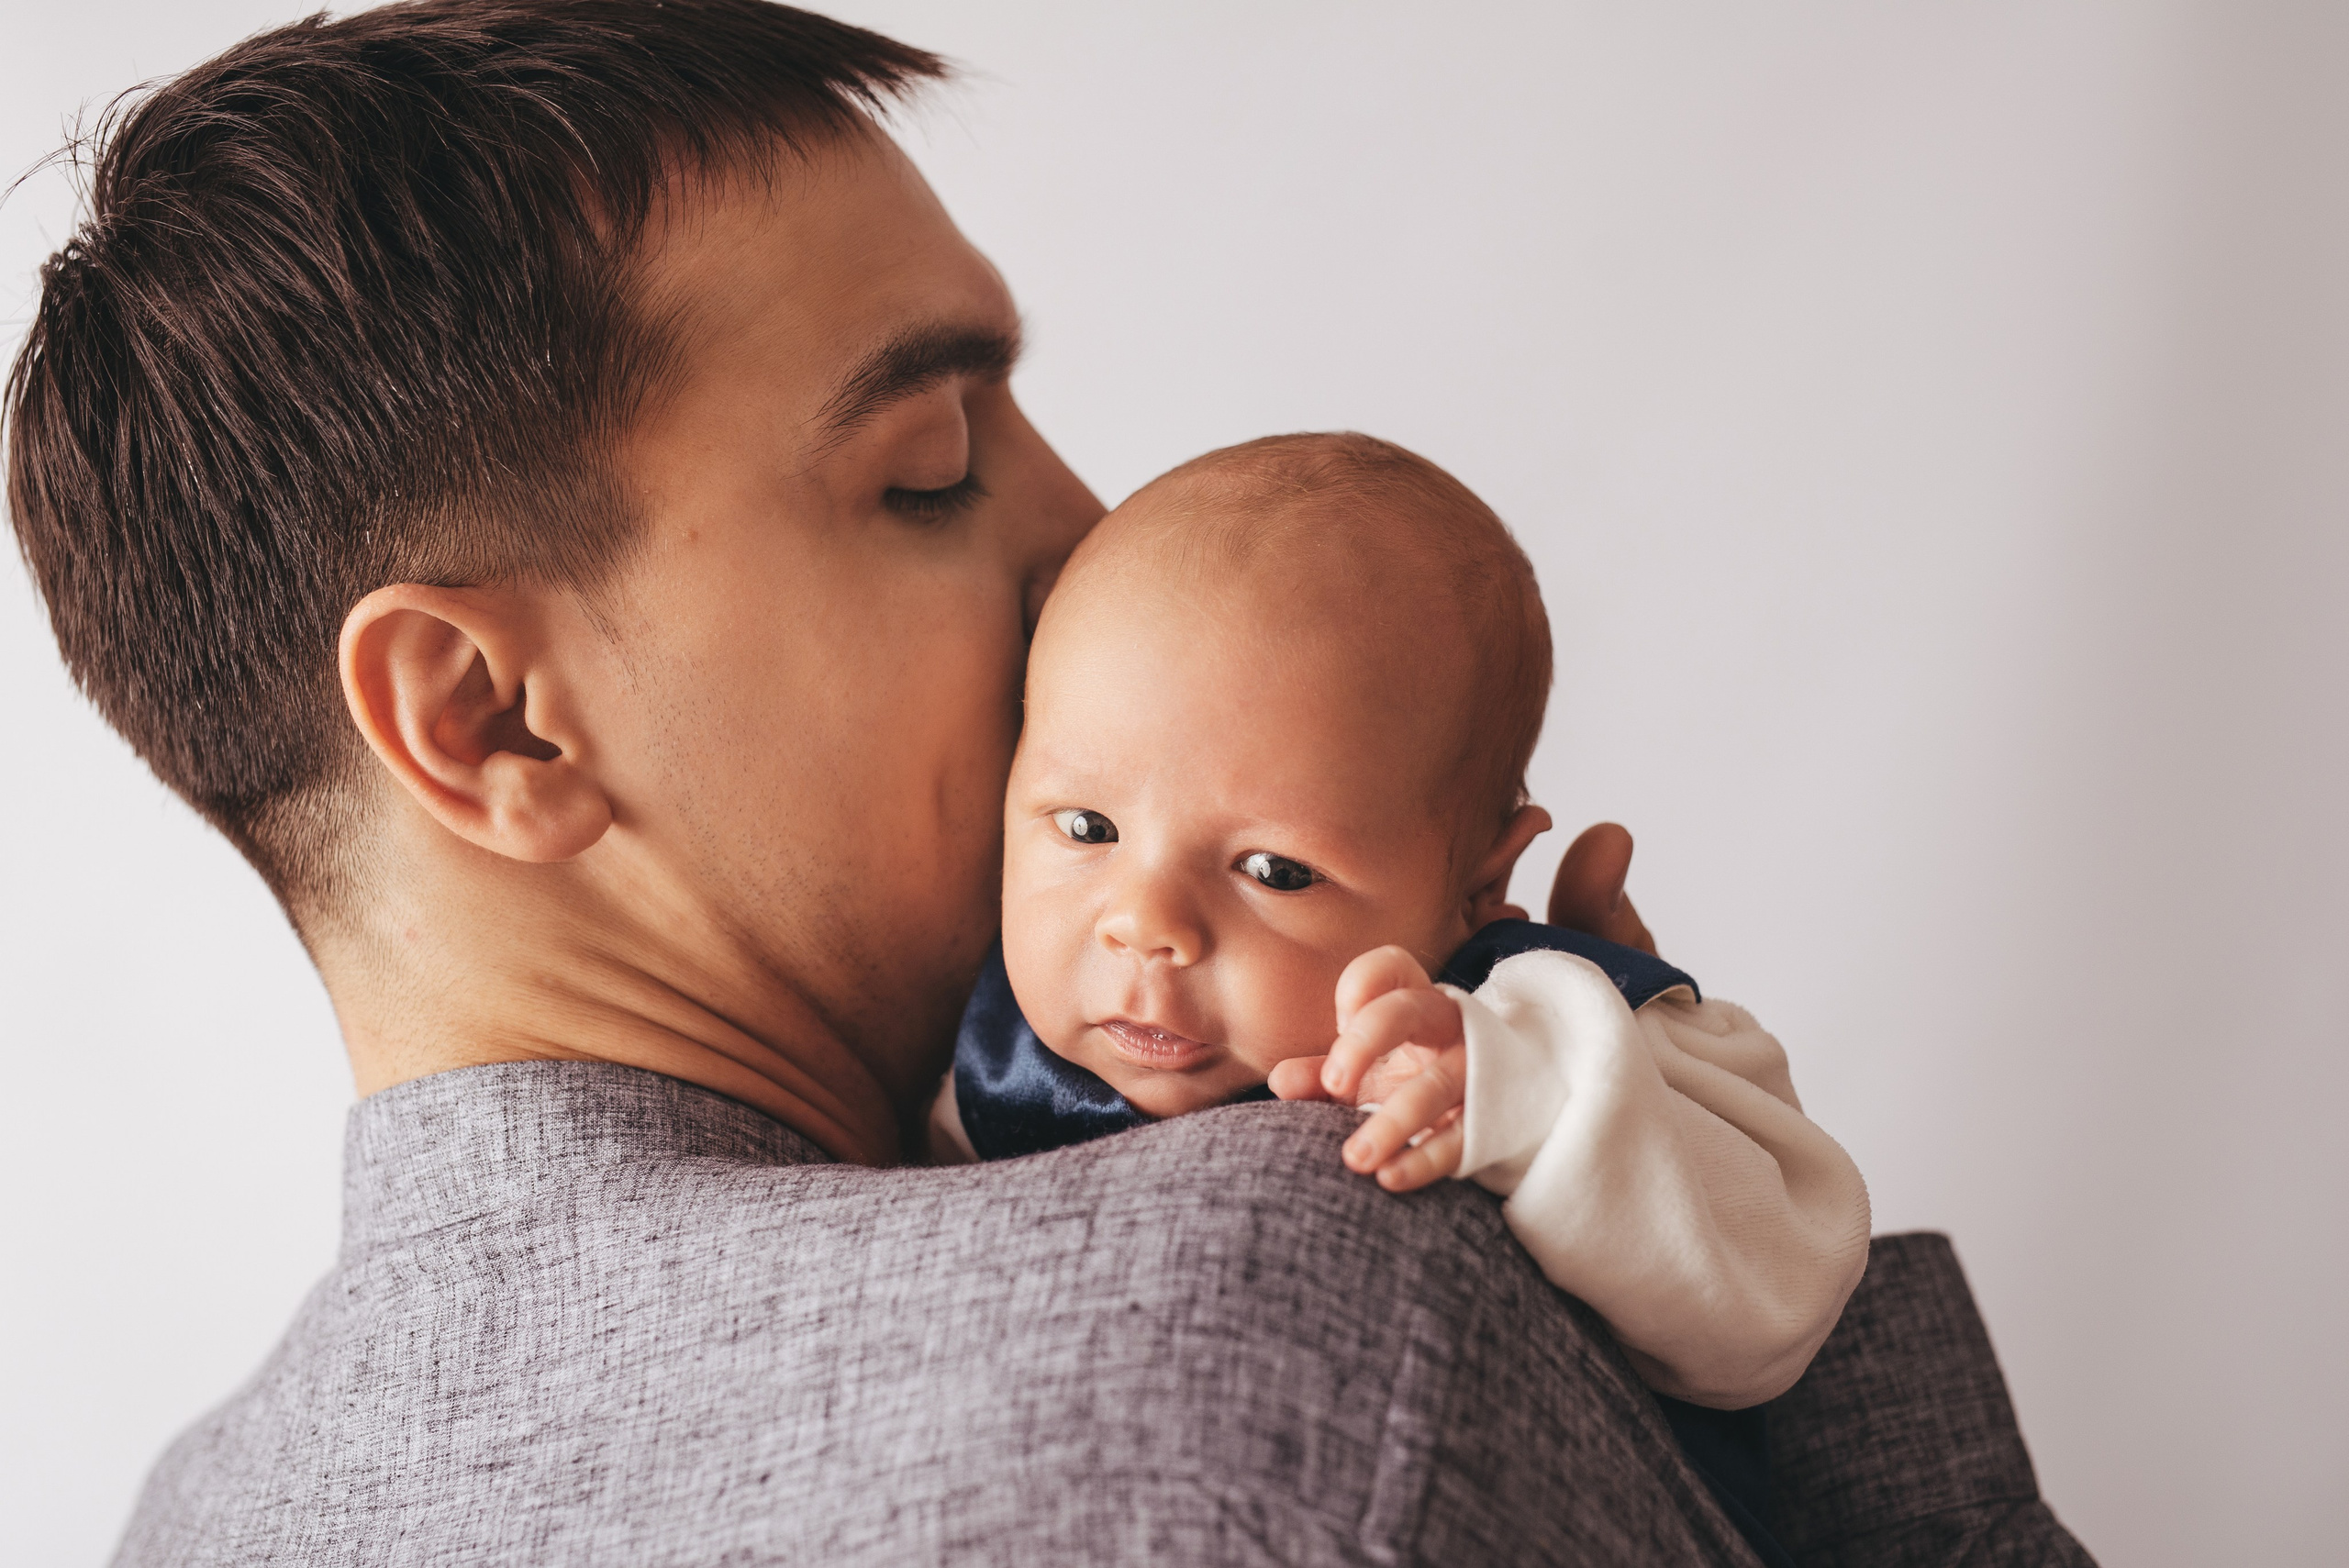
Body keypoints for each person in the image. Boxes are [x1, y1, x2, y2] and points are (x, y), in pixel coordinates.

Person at [5, 2, 2097, 1562]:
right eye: (927, 468)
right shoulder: (1282, 1288)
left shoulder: (187, 1524)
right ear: (492, 722)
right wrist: (1680, 1172)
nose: (1092, 528)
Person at [938, 432, 1871, 1413]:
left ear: (1477, 887)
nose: (1143, 922)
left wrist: (1538, 1101)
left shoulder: (1540, 1032)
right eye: (1087, 827)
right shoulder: (984, 1049)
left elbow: (1790, 1282)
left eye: (1275, 871)